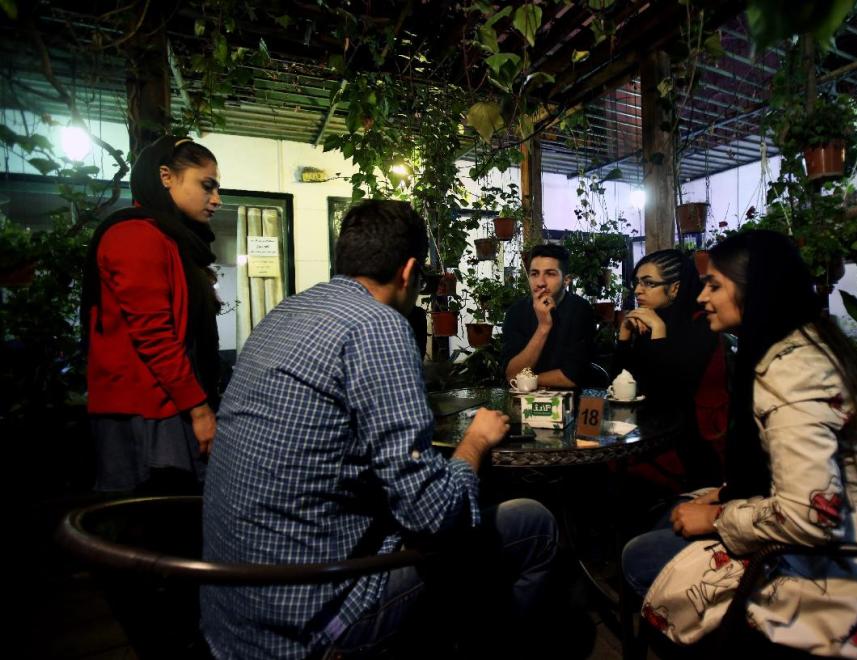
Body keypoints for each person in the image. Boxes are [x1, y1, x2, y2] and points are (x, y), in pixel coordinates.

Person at [200, 200, 557, 658]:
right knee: (533, 523)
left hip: (231, 613)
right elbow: (431, 515)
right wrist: (475, 443)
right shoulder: (378, 326)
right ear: (409, 272)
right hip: (311, 625)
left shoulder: (283, 314)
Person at [624, 230, 857, 658]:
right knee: (666, 518)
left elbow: (809, 516)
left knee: (642, 556)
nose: (701, 297)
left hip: (845, 572)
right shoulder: (806, 340)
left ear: (753, 289)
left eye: (714, 285)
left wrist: (718, 518)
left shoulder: (792, 370)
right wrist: (725, 497)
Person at [81, 136, 221, 494]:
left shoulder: (168, 237)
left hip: (164, 404)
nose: (216, 199)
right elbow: (154, 335)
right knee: (149, 525)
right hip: (144, 413)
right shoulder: (135, 235)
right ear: (166, 177)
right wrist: (200, 409)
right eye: (207, 186)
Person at [613, 249, 727, 488]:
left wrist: (659, 332)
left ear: (675, 288)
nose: (637, 290)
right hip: (644, 433)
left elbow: (670, 394)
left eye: (648, 283)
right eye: (637, 283)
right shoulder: (647, 321)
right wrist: (624, 335)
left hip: (690, 445)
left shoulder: (702, 325)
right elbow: (621, 385)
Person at [502, 244, 595, 388]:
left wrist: (526, 380)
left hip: (570, 401)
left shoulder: (580, 310)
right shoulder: (516, 312)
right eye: (534, 274)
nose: (540, 283)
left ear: (566, 280)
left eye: (550, 274)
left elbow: (571, 377)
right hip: (523, 401)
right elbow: (512, 375)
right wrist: (543, 327)